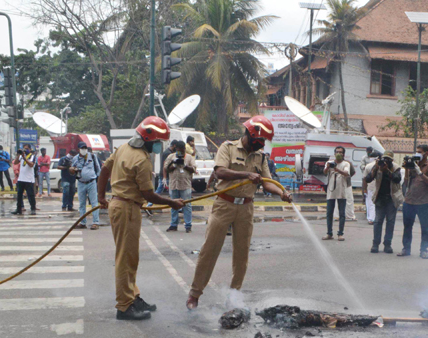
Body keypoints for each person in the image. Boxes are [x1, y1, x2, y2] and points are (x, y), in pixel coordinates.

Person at [186, 116, 292, 309]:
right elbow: (220, 172)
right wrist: (246, 174)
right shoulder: (228, 147)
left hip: (246, 208)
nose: (259, 146)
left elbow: (267, 182)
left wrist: (282, 193)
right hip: (224, 205)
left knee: (241, 255)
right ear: (250, 135)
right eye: (258, 141)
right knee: (209, 251)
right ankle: (194, 294)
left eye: (263, 143)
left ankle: (233, 296)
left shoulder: (260, 157)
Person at [97, 117, 185, 320]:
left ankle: (133, 296)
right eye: (158, 141)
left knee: (130, 257)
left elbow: (104, 170)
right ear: (147, 138)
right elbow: (148, 195)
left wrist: (102, 196)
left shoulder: (123, 149)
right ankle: (124, 306)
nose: (159, 145)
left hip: (122, 205)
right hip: (127, 207)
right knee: (125, 258)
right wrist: (172, 203)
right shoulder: (141, 160)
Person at [399, 144, 428, 258]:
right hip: (410, 200)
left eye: (420, 152)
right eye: (416, 151)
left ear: (426, 153)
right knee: (407, 226)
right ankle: (406, 249)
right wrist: (407, 169)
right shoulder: (413, 164)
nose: (417, 154)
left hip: (424, 201)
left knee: (424, 226)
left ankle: (423, 250)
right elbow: (406, 183)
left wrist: (420, 172)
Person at [366, 150, 403, 254]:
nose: (385, 161)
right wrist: (375, 168)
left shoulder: (396, 168)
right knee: (377, 222)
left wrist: (387, 171)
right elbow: (368, 179)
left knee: (390, 222)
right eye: (384, 159)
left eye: (388, 160)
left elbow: (397, 179)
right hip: (380, 198)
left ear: (392, 160)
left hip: (392, 199)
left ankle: (387, 244)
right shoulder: (377, 166)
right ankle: (375, 244)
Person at [164, 140, 196, 232]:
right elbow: (166, 168)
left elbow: (193, 169)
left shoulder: (189, 157)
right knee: (173, 205)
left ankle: (188, 225)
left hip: (185, 185)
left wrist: (184, 165)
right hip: (174, 184)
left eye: (182, 151)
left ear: (184, 149)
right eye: (178, 151)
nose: (180, 153)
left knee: (187, 205)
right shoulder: (171, 156)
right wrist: (174, 164)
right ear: (175, 149)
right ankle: (173, 225)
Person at [323, 146, 353, 241]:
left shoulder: (346, 164)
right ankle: (329, 233)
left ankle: (340, 233)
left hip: (342, 191)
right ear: (334, 153)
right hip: (331, 191)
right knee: (329, 213)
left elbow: (346, 173)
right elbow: (324, 173)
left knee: (342, 213)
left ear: (343, 154)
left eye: (340, 152)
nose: (339, 154)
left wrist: (337, 169)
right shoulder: (329, 162)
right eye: (337, 152)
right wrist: (328, 167)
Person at [72, 142, 101, 230]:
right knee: (82, 204)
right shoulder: (75, 158)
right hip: (81, 183)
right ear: (79, 149)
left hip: (91, 182)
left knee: (94, 203)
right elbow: (72, 169)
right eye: (82, 148)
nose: (84, 150)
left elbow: (98, 169)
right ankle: (83, 222)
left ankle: (95, 222)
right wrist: (72, 169)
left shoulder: (92, 156)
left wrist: (98, 182)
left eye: (85, 148)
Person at [13, 144, 37, 215]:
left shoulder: (32, 156)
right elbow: (15, 162)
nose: (25, 150)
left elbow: (31, 165)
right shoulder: (21, 156)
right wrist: (19, 155)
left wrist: (24, 158)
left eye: (26, 149)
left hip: (29, 179)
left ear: (29, 149)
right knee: (19, 195)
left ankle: (33, 209)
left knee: (31, 195)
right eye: (24, 148)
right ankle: (18, 209)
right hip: (21, 179)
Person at [361, 150, 377, 225]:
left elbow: (364, 178)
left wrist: (364, 189)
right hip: (379, 187)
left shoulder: (368, 166)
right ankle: (376, 218)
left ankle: (371, 219)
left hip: (370, 187)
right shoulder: (381, 165)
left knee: (370, 203)